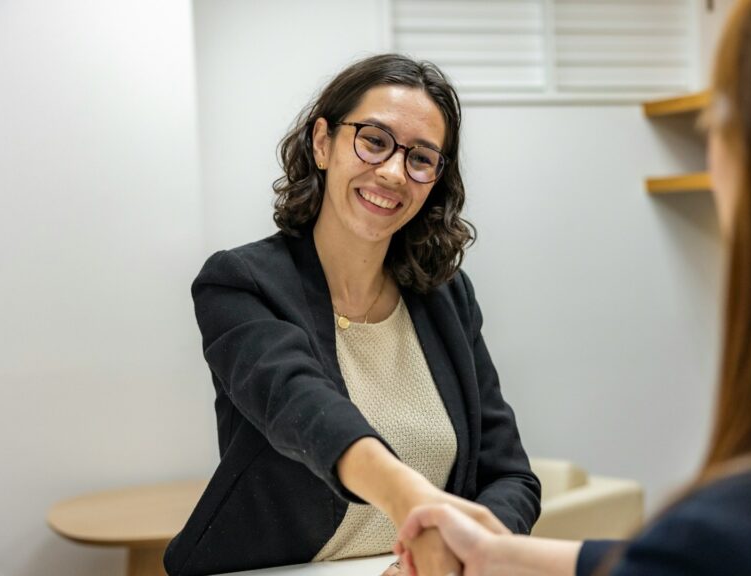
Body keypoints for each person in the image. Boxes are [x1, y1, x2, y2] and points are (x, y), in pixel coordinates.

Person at [394, 0, 751, 574]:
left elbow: (521, 475)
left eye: (719, 125)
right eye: (373, 141)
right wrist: (500, 556)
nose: (394, 171)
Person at [163, 54, 540, 576]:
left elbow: (511, 478)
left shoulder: (447, 298)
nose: (393, 173)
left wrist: (463, 552)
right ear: (323, 143)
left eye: (421, 158)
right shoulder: (241, 282)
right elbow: (303, 408)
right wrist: (410, 499)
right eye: (374, 141)